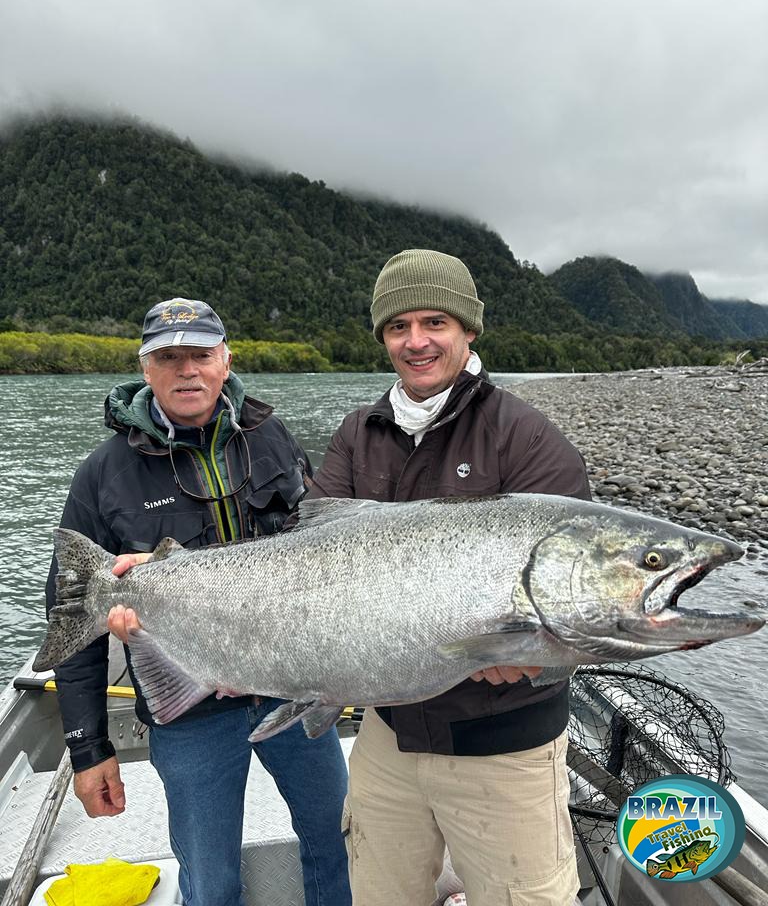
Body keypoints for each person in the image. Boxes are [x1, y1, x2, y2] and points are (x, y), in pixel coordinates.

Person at [45, 297, 351, 906]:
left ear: (225, 360)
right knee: (209, 882)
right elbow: (67, 614)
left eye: (201, 355)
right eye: (170, 357)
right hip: (188, 712)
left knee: (336, 840)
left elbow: (327, 555)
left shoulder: (272, 440)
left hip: (296, 687)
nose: (188, 371)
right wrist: (88, 748)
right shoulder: (102, 473)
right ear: (145, 367)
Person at [308, 250, 591, 906]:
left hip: (505, 751)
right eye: (398, 326)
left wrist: (529, 654)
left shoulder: (526, 438)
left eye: (435, 321)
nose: (416, 341)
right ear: (382, 337)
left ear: (469, 331)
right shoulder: (358, 435)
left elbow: (573, 605)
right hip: (388, 737)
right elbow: (313, 562)